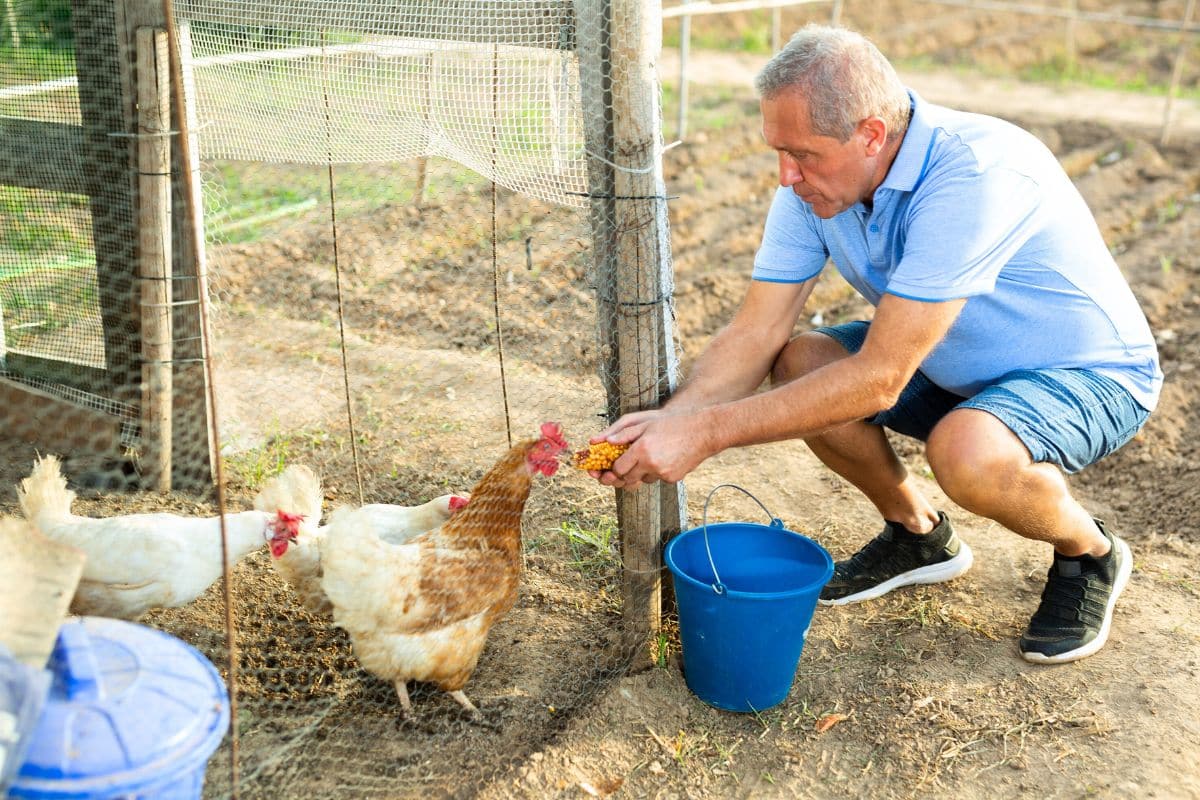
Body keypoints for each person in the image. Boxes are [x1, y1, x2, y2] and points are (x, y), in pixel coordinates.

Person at [589, 24, 1161, 665]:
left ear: (870, 134)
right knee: (802, 362)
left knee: (966, 450)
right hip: (952, 364)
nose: (786, 175)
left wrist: (709, 432)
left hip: (1086, 372)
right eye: (778, 151)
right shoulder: (814, 190)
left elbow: (882, 377)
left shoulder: (972, 174)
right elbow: (757, 330)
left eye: (802, 154)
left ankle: (1091, 553)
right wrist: (672, 422)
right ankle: (919, 536)